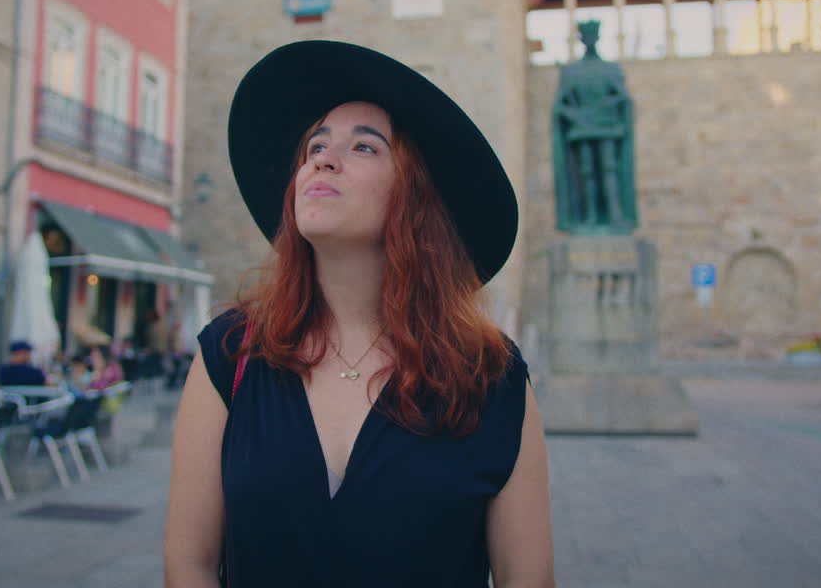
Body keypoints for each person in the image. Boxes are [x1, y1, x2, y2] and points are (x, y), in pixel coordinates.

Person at [164, 41, 554, 587]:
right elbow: (190, 566)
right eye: (315, 146)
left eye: (365, 147)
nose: (321, 158)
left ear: (415, 197)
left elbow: (527, 580)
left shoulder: (492, 375)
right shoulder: (230, 355)